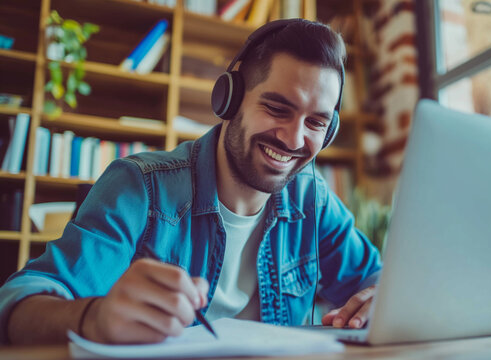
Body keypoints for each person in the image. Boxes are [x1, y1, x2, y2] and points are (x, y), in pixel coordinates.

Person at [0, 19, 381, 345]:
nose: (295, 140)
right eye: (277, 108)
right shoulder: (139, 186)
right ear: (229, 100)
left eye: (315, 122)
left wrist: (380, 297)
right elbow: (18, 303)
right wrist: (93, 318)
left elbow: (376, 279)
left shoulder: (313, 202)